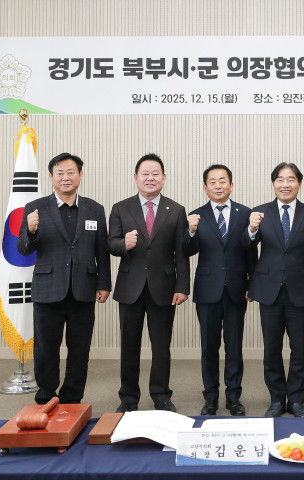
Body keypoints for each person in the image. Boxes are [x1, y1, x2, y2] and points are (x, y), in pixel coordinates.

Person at [17, 152, 111, 404]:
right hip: (48, 290)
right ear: (51, 177)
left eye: (71, 172)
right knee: (46, 349)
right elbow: (23, 249)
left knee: (80, 349)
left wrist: (104, 283)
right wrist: (31, 230)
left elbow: (101, 251)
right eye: (59, 173)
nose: (65, 177)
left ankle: (72, 399)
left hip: (84, 289)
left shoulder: (95, 209)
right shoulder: (35, 208)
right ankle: (46, 396)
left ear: (80, 175)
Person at [108, 153, 190, 413]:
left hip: (164, 287)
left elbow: (181, 253)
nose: (150, 178)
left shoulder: (176, 210)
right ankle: (128, 397)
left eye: (156, 174)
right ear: (136, 178)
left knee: (161, 346)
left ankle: (161, 395)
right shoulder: (121, 208)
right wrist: (124, 244)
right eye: (145, 173)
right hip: (130, 286)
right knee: (129, 345)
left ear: (164, 178)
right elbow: (110, 242)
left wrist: (182, 287)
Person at [243, 162, 304, 418]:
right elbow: (246, 248)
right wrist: (251, 229)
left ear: (299, 183)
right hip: (269, 291)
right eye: (280, 179)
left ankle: (297, 400)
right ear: (273, 183)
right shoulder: (260, 213)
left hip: (301, 291)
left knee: (300, 349)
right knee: (272, 349)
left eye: (291, 179)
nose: (285, 184)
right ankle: (277, 399)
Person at [183, 165, 257, 416]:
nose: (218, 185)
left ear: (231, 185)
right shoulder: (196, 215)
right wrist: (190, 231)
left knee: (234, 346)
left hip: (237, 288)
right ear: (205, 187)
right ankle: (210, 397)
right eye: (212, 182)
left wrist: (252, 284)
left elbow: (251, 252)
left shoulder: (245, 213)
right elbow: (187, 250)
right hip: (207, 290)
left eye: (222, 180)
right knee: (209, 346)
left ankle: (234, 397)